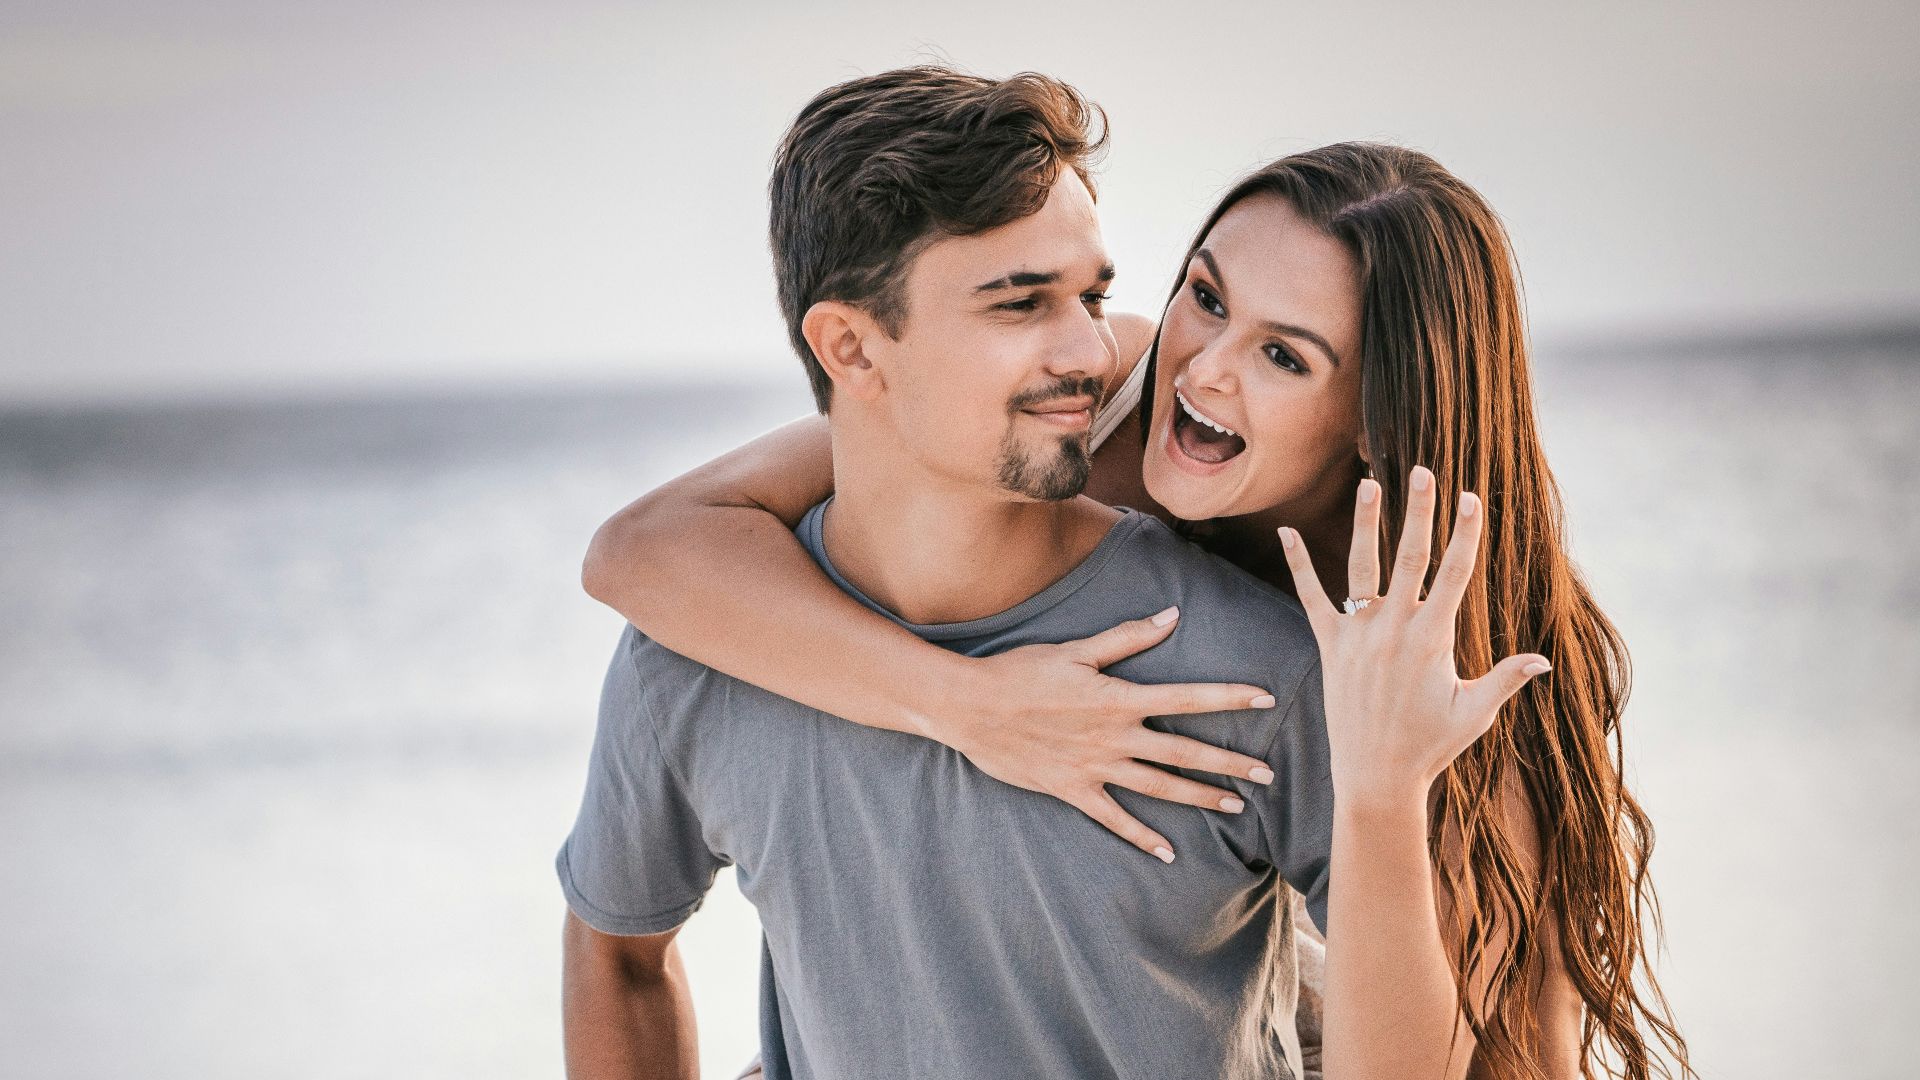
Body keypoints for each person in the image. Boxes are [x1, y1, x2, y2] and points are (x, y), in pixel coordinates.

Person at [581, 101, 1694, 1080]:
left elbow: (1522, 1055)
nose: (1202, 366)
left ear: (1379, 418)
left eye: (1287, 357)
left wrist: (1378, 785)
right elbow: (647, 549)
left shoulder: (1428, 670)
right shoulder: (1097, 392)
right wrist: (972, 708)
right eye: (1205, 297)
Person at [559, 66, 1375, 1080]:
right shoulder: (699, 653)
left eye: (1094, 295)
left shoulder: (1261, 669)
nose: (1095, 349)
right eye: (1021, 303)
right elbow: (615, 951)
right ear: (852, 348)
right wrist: (964, 702)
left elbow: (1480, 1012)